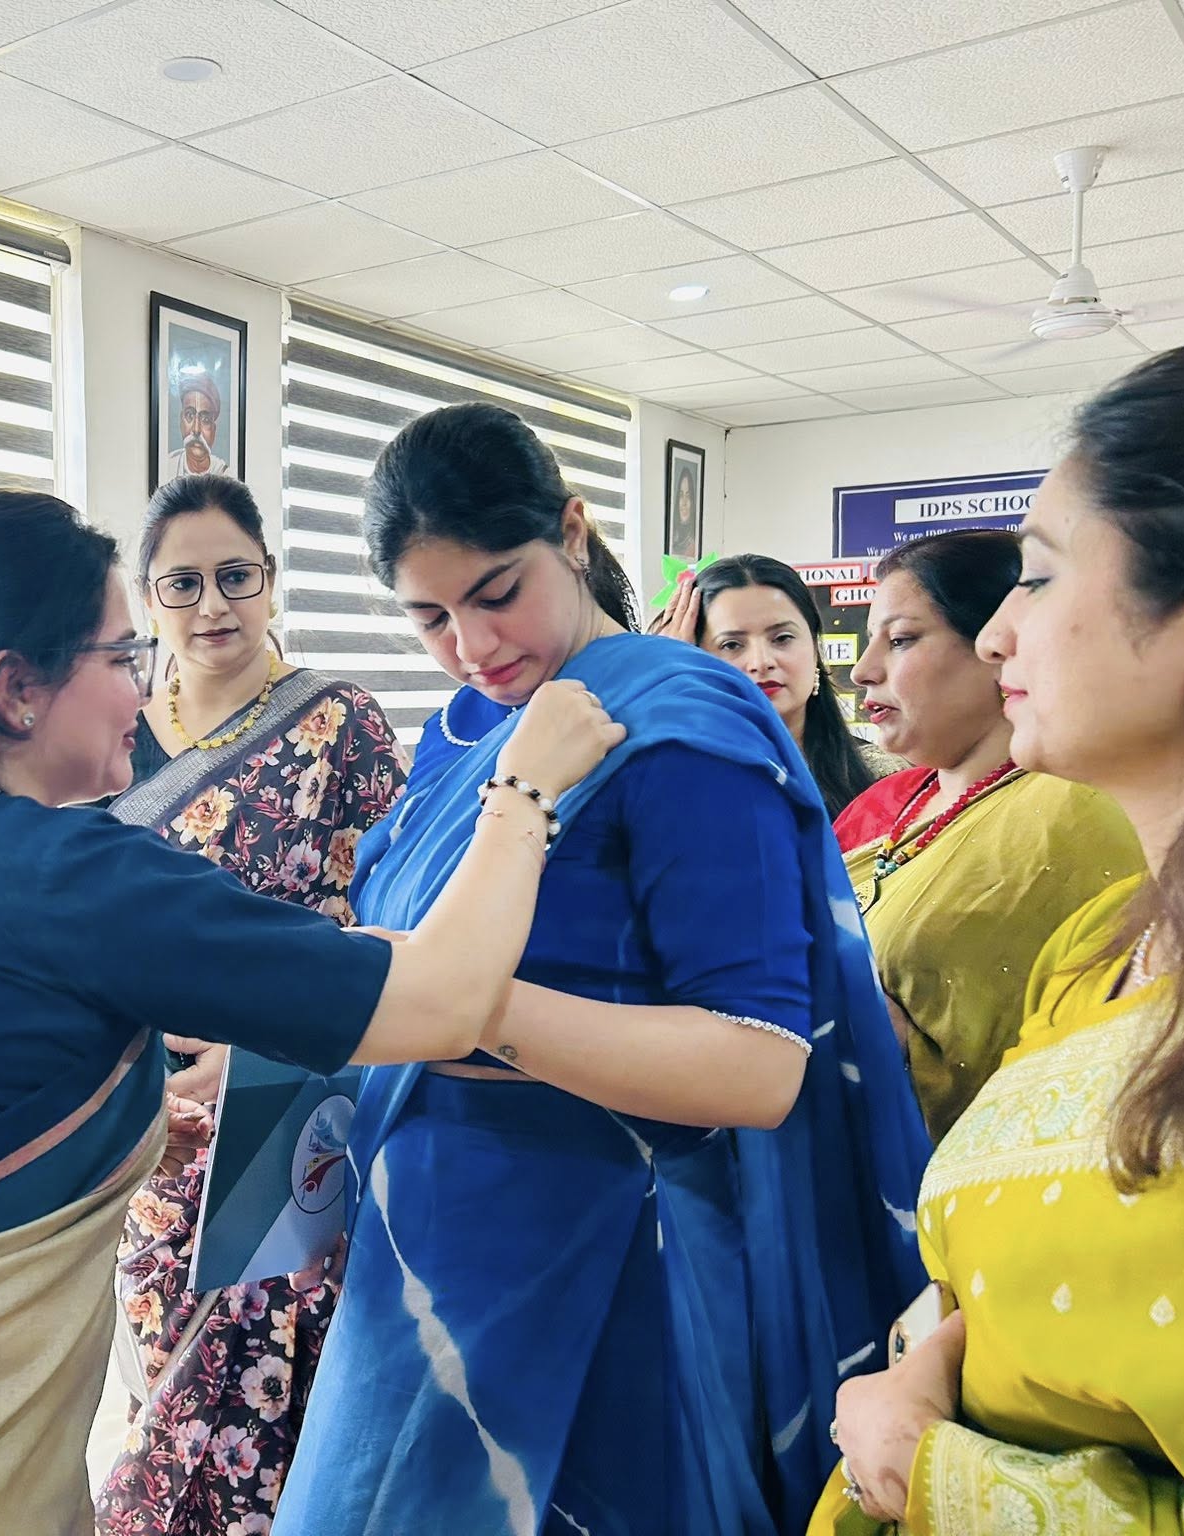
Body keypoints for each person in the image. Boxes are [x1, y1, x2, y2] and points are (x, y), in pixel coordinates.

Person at [0, 489, 623, 1536]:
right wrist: (525, 785)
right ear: (16, 689)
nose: (141, 687)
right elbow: (447, 997)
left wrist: (127, 1115)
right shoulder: (58, 872)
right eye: (121, 655)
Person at [276, 404, 930, 1536]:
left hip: (607, 1254)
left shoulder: (676, 728)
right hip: (420, 1250)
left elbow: (755, 1066)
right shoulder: (470, 731)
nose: (471, 646)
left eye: (496, 592)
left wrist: (455, 1001)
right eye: (429, 617)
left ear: (572, 534)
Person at [817, 340, 1184, 1532]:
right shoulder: (1101, 947)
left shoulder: (1049, 842)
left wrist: (926, 1469)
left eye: (1038, 579)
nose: (998, 635)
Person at [94, 475, 406, 1535]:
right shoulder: (110, 735)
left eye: (235, 576)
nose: (212, 605)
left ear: (269, 578)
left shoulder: (339, 722)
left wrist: (268, 1041)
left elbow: (395, 918)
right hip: (157, 1122)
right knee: (166, 1388)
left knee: (296, 1391)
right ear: (148, 598)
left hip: (296, 1102)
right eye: (181, 584)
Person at [835, 531, 1141, 1141]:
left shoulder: (1075, 812)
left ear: (998, 645)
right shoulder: (894, 802)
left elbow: (1085, 1058)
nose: (863, 670)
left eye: (901, 639)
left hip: (957, 1171)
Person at [653, 554, 897, 819]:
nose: (761, 662)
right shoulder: (670, 779)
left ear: (815, 647)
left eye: (782, 638)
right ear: (696, 659)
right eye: (731, 645)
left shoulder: (885, 780)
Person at [162, 368, 229, 482]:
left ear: (214, 429)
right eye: (189, 415)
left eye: (205, 419)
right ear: (181, 421)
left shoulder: (224, 474)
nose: (196, 429)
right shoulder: (167, 466)